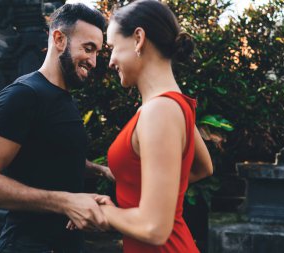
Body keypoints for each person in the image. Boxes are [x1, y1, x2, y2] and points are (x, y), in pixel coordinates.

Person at [0, 3, 113, 253]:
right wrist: (65, 202)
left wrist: (101, 171)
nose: (94, 61)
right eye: (88, 49)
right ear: (59, 39)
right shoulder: (24, 94)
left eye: (97, 51)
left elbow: (50, 158)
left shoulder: (63, 97)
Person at [68, 1, 213, 252]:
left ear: (138, 39)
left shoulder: (160, 111)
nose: (111, 61)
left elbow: (154, 229)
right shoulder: (174, 105)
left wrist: (97, 211)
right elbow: (203, 168)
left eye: (113, 47)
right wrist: (144, 205)